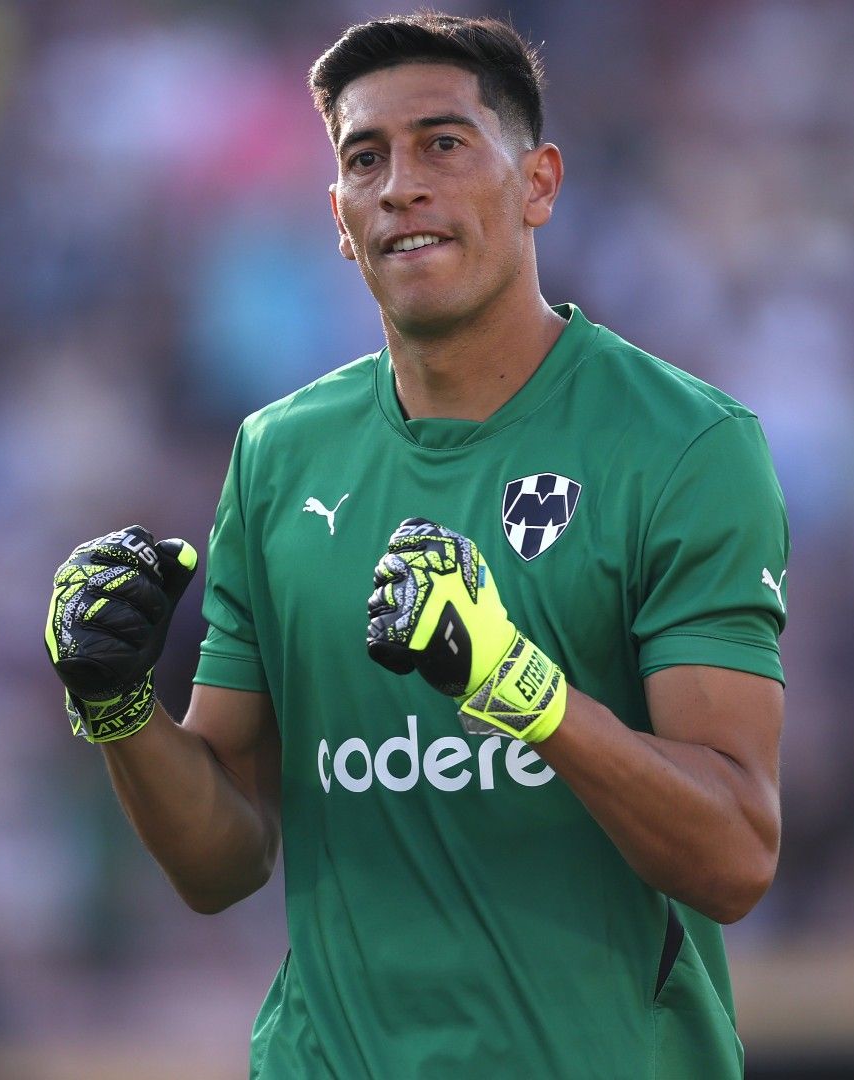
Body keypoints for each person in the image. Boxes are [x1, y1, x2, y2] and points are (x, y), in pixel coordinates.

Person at [44, 13, 789, 1077]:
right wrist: (117, 709)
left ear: (537, 183)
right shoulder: (277, 458)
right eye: (365, 158)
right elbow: (225, 857)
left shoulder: (684, 447)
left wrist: (518, 687)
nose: (401, 184)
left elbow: (734, 853)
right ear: (341, 222)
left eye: (444, 143)